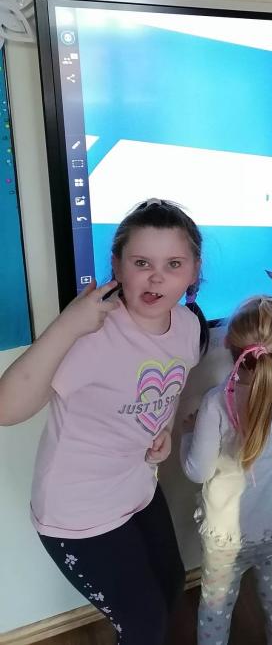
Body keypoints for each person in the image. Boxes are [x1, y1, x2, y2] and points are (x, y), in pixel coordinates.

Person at [0, 199, 208, 645]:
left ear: (194, 271)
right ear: (117, 266)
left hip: (136, 486)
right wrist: (68, 324)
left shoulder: (188, 325)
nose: (156, 277)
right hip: (77, 510)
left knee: (170, 584)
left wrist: (165, 429)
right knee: (144, 625)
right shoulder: (92, 334)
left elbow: (170, 383)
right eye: (141, 263)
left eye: (173, 264)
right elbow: (6, 409)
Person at [180, 272, 272, 645]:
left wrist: (188, 432)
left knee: (215, 610)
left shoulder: (214, 403)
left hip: (226, 537)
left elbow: (197, 471)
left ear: (229, 345)